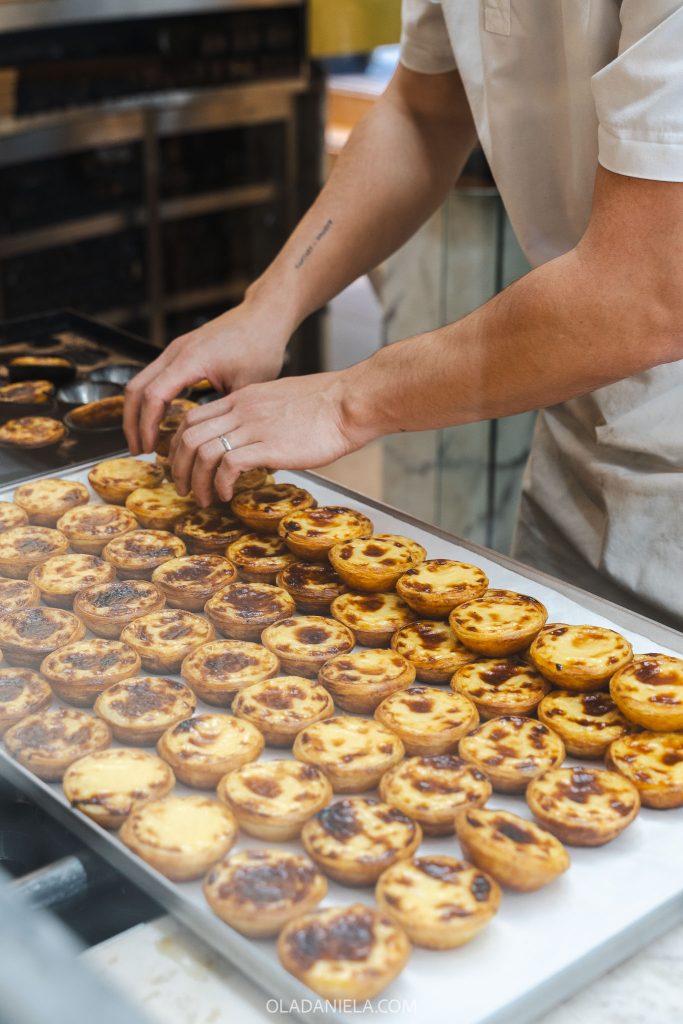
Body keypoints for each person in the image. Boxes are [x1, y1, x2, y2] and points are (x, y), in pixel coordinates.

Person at [124, 1, 683, 627]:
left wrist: (345, 401)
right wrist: (267, 309)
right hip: (579, 438)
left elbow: (645, 292)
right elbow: (423, 113)